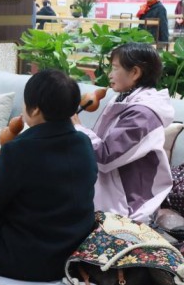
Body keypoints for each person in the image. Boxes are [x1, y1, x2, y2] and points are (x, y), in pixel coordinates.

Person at [0, 70, 97, 281]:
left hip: (27, 257)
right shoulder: (84, 143)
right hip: (70, 254)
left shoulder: (20, 150)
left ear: (35, 110)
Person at [72, 43, 174, 223]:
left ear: (135, 72)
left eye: (114, 68)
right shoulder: (123, 99)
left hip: (129, 205)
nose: (110, 75)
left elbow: (105, 157)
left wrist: (77, 126)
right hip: (111, 189)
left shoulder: (143, 114)